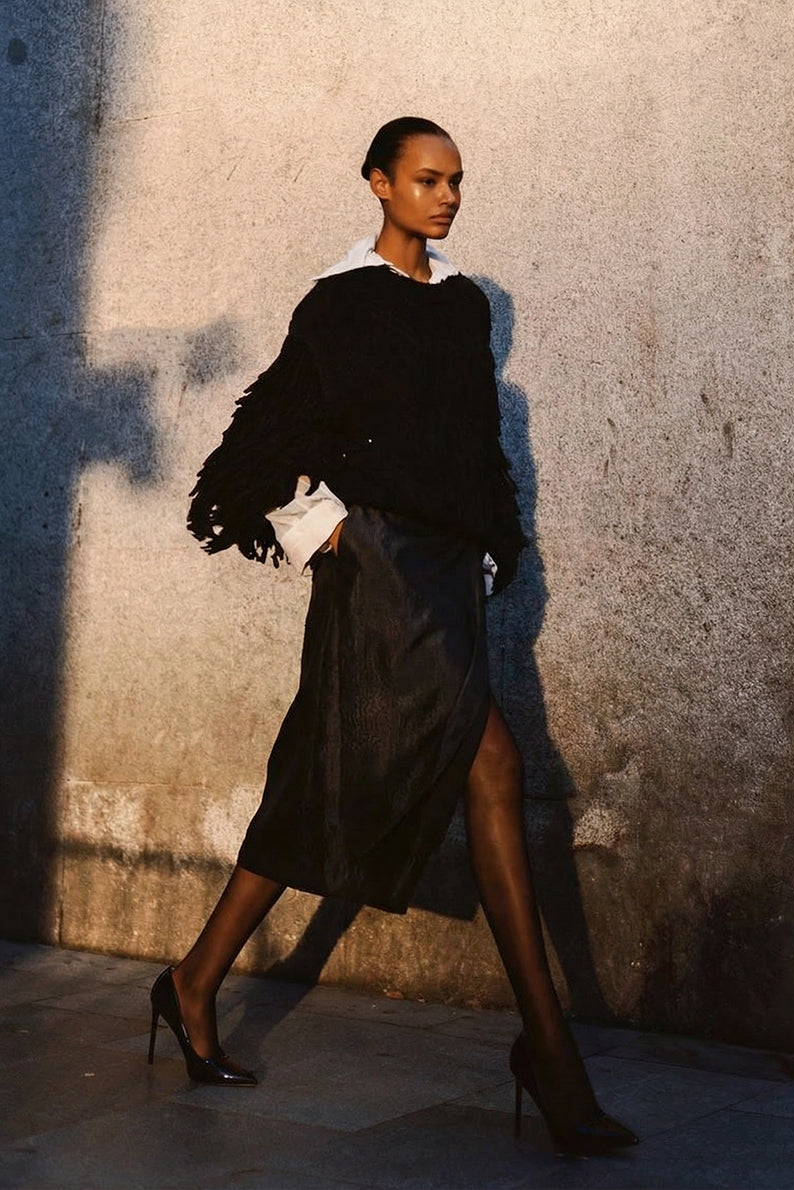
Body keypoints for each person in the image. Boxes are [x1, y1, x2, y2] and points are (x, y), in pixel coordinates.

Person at [147, 117, 638, 1157]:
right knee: (492, 762)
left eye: (457, 180)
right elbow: (262, 436)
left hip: (448, 573)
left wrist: (489, 547)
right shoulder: (339, 303)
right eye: (425, 179)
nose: (447, 196)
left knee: (329, 782)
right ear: (377, 183)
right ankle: (549, 1051)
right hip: (378, 574)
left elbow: (469, 440)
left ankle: (192, 979)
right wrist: (321, 530)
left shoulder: (463, 308)